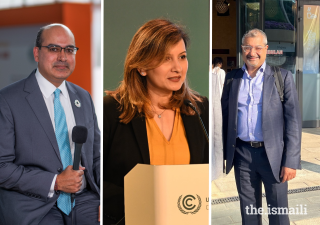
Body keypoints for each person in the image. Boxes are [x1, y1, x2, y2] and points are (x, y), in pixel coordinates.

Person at [103, 19, 209, 224]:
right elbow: (97, 181)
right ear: (142, 66)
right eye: (166, 58)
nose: (178, 67)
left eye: (182, 57)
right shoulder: (111, 110)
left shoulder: (198, 108)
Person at [0, 24, 100, 225]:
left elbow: (97, 155)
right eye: (54, 49)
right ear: (37, 53)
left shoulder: (83, 97)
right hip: (33, 203)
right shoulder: (8, 100)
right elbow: (1, 167)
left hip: (83, 200)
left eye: (69, 50)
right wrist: (56, 182)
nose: (63, 57)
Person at [221, 29, 301, 225]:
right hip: (242, 155)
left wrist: (290, 160)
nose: (252, 52)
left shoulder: (282, 77)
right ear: (242, 49)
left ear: (266, 49)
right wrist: (223, 154)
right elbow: (224, 117)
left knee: (279, 213)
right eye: (247, 47)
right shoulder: (232, 79)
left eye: (257, 47)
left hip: (273, 155)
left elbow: (293, 121)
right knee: (248, 213)